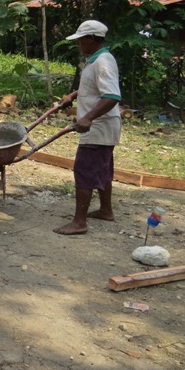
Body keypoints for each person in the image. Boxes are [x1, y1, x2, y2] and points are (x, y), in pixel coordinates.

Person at [54, 20, 122, 235]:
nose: (78, 45)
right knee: (102, 168)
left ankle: (79, 222)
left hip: (98, 127)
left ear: (91, 39)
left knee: (84, 170)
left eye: (81, 40)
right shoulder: (95, 61)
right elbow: (94, 87)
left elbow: (111, 95)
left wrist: (88, 118)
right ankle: (105, 210)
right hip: (102, 126)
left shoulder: (103, 61)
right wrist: (73, 96)